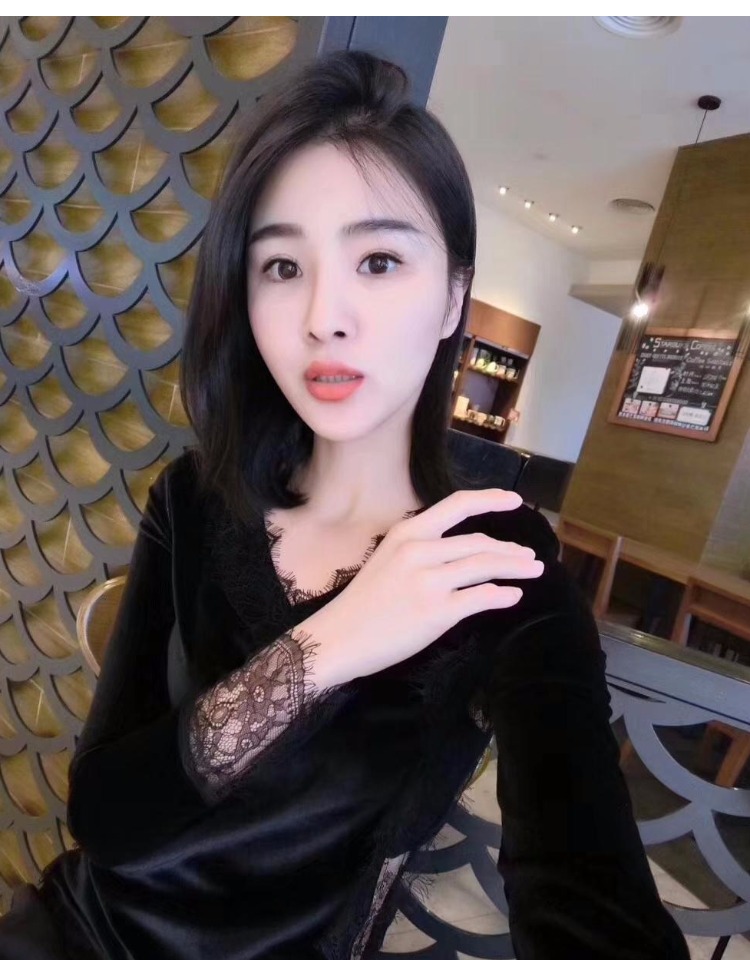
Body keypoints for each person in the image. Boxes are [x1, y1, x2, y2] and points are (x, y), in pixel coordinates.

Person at [0, 50, 689, 960]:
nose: (324, 315)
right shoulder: (197, 496)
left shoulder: (489, 560)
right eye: (282, 266)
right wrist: (332, 643)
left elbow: (589, 891)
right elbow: (105, 817)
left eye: (378, 260)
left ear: (453, 298)